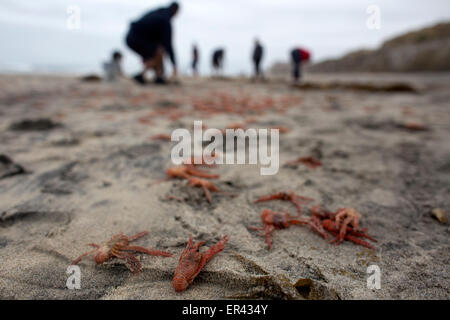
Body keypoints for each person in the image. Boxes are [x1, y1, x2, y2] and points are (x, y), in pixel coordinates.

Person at [125, 2, 179, 85]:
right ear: (176, 11)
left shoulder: (157, 13)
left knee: (156, 53)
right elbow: (168, 45)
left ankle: (157, 76)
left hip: (131, 37)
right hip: (137, 38)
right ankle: (153, 76)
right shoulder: (165, 21)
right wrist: (174, 64)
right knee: (159, 52)